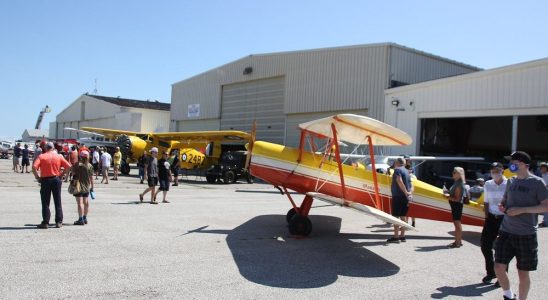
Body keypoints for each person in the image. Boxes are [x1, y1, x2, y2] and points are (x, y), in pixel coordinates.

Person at [494, 151, 548, 300]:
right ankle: (508, 295)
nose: (510, 164)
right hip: (506, 231)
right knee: (498, 267)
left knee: (522, 273)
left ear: (524, 164)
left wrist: (522, 210)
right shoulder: (511, 181)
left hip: (526, 234)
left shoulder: (537, 183)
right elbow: (505, 200)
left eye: (514, 162)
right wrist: (502, 205)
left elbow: (546, 206)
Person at [32, 142, 71, 229]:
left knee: (45, 202)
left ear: (45, 148)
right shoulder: (59, 156)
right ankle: (58, 222)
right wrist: (62, 174)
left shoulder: (42, 156)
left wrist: (37, 177)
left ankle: (45, 222)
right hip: (56, 179)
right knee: (57, 201)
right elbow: (68, 166)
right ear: (53, 148)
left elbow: (34, 167)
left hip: (45, 180)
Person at [480, 162, 507, 286]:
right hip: (491, 217)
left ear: (502, 170)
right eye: (493, 171)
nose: (495, 173)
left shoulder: (509, 184)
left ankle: (502, 277)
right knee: (485, 245)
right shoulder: (488, 184)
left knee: (502, 248)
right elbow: (486, 202)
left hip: (504, 219)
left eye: (497, 170)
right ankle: (491, 272)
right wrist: (486, 217)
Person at [386, 157, 412, 243]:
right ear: (404, 163)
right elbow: (411, 184)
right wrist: (409, 193)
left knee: (396, 216)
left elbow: (399, 181)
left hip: (398, 196)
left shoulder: (397, 170)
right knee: (403, 216)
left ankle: (396, 236)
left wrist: (405, 192)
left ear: (396, 163)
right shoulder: (407, 172)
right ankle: (402, 236)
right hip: (405, 198)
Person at [443, 166, 466, 248]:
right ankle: (459, 241)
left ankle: (457, 243)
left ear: (459, 174)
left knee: (457, 224)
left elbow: (457, 199)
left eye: (454, 172)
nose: (452, 173)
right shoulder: (457, 182)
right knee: (457, 223)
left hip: (456, 205)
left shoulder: (459, 184)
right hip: (455, 205)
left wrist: (446, 196)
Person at [71, 151, 94, 225]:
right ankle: (85, 217)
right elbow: (91, 178)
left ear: (80, 156)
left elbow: (73, 174)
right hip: (87, 186)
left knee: (80, 203)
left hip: (78, 186)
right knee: (86, 202)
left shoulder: (77, 165)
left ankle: (80, 219)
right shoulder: (90, 166)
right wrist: (92, 187)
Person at [539, 163, 548, 227]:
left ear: (545, 168)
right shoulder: (543, 175)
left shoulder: (547, 176)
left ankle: (546, 222)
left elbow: (546, 185)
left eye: (542, 168)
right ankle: (545, 221)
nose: (540, 169)